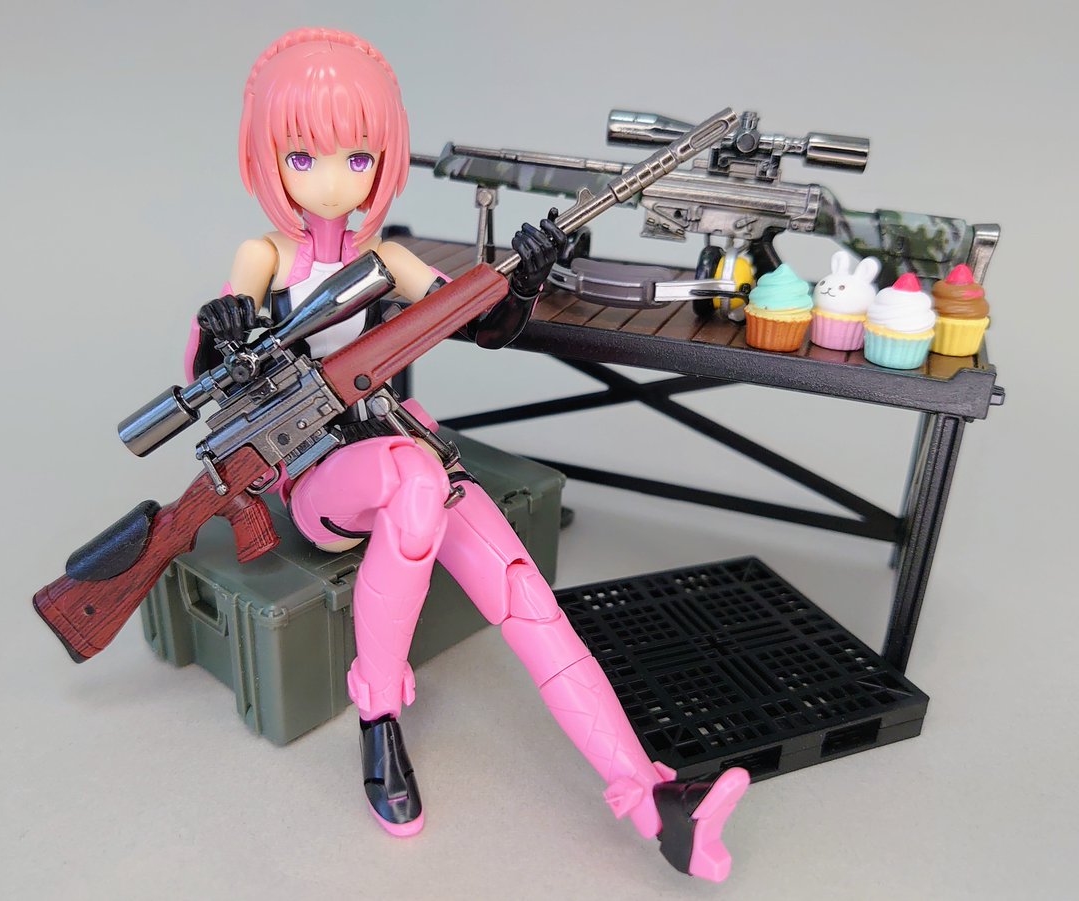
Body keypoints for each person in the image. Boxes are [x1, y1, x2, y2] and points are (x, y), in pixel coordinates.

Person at [187, 28, 749, 882]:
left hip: (406, 447)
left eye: (357, 156)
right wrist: (223, 326)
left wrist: (522, 281)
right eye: (302, 157)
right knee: (413, 481)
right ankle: (379, 716)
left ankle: (655, 799)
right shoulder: (263, 256)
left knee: (527, 597)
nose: (333, 181)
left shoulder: (387, 259)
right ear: (267, 159)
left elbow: (476, 321)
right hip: (317, 476)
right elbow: (207, 372)